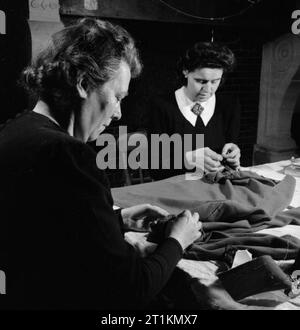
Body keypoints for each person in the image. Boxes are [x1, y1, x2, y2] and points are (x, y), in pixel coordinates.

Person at [0, 18, 202, 310]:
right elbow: (132, 288)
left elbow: (48, 232)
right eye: (117, 97)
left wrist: (117, 220)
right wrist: (177, 241)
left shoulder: (14, 130)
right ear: (83, 84)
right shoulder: (68, 154)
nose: (118, 113)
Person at [147, 42, 241, 181]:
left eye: (215, 81)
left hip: (217, 185)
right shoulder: (161, 106)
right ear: (185, 71)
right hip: (177, 187)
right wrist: (189, 159)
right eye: (201, 81)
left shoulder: (229, 105)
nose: (208, 90)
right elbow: (155, 168)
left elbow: (229, 155)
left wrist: (233, 155)